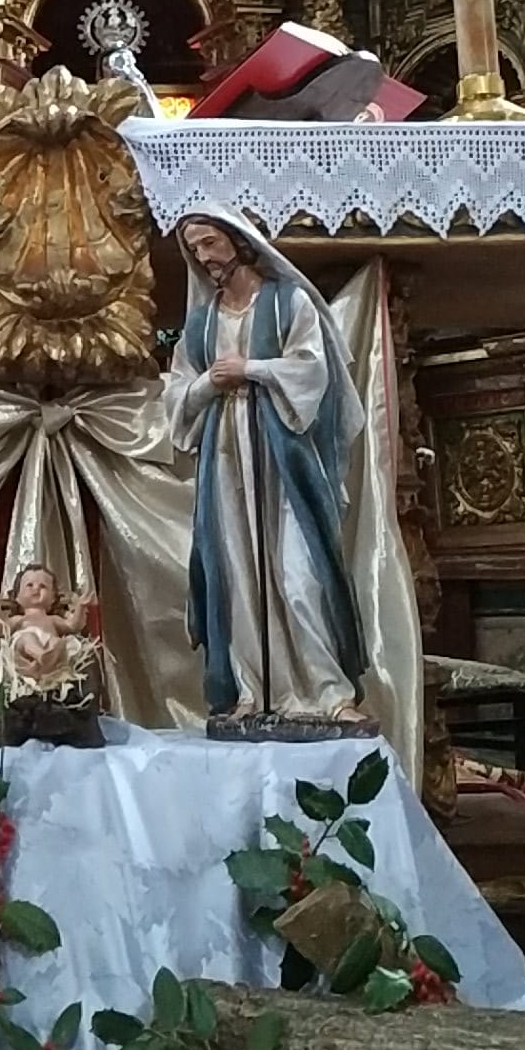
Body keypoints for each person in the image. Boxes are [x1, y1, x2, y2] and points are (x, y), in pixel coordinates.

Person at [164, 208, 370, 723]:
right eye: (195, 250)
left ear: (239, 241)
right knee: (235, 577)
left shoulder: (287, 302)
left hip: (283, 460)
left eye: (210, 243)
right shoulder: (202, 321)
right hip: (227, 459)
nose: (204, 258)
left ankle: (329, 693)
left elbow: (312, 369)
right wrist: (210, 383)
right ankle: (252, 693)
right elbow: (176, 392)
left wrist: (250, 369)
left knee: (299, 577)